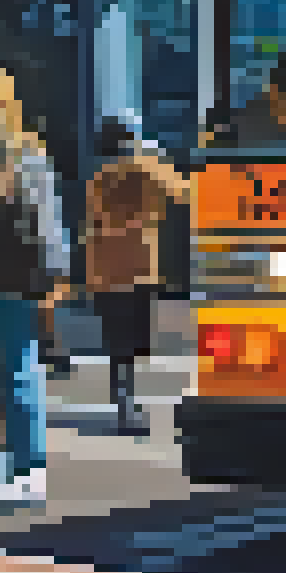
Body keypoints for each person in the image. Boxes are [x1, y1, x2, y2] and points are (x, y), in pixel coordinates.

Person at [80, 116, 191, 437]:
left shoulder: (98, 175)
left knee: (118, 341)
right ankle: (128, 407)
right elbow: (183, 193)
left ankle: (124, 403)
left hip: (104, 269)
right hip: (138, 267)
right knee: (134, 338)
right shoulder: (145, 166)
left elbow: (93, 221)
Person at [0, 70, 65, 504]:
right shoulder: (28, 155)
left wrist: (52, 281)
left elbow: (46, 228)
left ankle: (27, 467)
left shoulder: (24, 157)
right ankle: (19, 464)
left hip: (14, 278)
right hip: (17, 276)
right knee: (18, 370)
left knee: (20, 370)